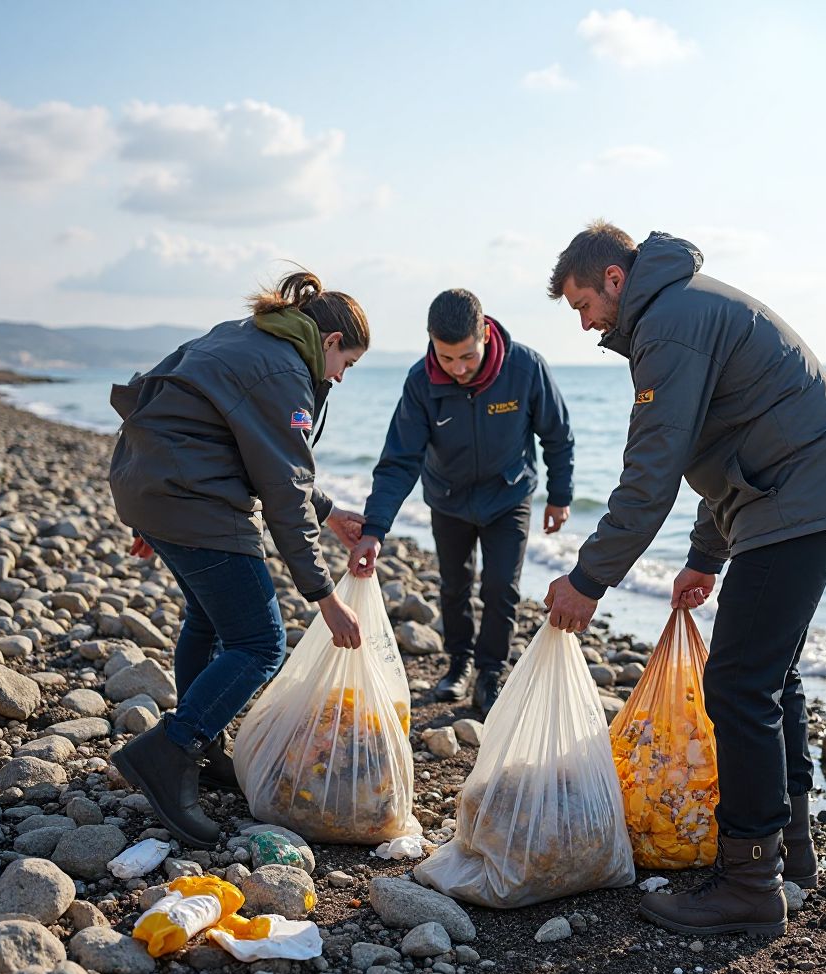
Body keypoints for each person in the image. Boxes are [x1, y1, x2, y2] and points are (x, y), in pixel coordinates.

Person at [544, 222, 826, 937]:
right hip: (804, 491)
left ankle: (750, 887)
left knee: (737, 683)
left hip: (800, 499)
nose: (584, 323)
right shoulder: (681, 308)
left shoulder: (668, 323)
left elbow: (651, 473)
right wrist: (706, 557)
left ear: (614, 277)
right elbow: (721, 443)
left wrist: (588, 579)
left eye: (583, 304)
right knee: (768, 676)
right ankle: (789, 857)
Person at [107, 270, 370, 848]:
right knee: (259, 642)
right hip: (187, 497)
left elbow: (190, 415)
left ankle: (204, 748)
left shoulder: (246, 336)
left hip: (154, 483)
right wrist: (325, 597)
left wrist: (150, 505)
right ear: (328, 343)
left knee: (207, 619)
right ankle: (172, 751)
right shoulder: (285, 372)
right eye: (345, 365)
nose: (341, 377)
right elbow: (281, 491)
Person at [348, 288, 574, 716]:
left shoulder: (525, 368)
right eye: (447, 358)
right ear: (431, 340)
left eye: (467, 357)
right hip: (448, 498)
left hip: (509, 495)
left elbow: (557, 435)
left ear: (485, 333)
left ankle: (489, 673)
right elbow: (399, 461)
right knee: (454, 586)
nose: (458, 369)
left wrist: (560, 496)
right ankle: (458, 662)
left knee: (501, 587)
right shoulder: (420, 382)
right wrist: (375, 530)